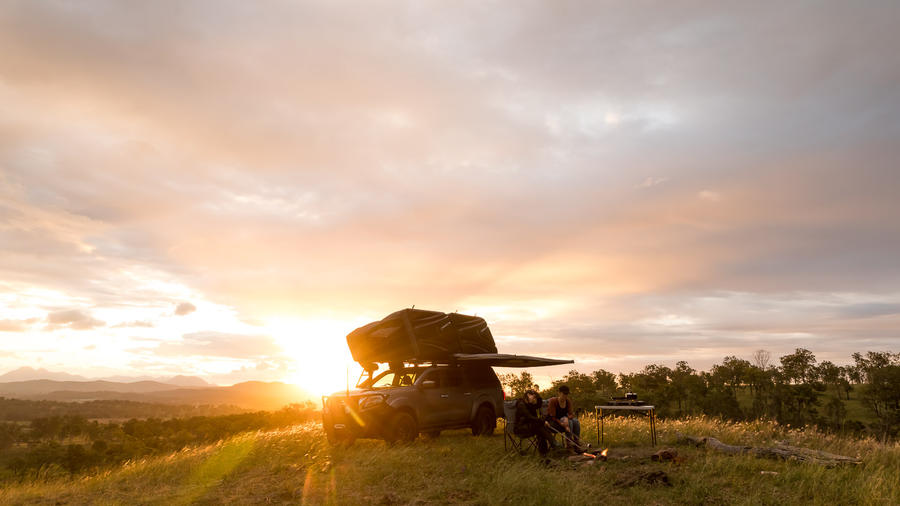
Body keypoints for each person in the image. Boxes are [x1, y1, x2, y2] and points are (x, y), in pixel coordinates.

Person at [514, 389, 556, 454]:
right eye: (533, 397)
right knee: (539, 426)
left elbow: (535, 417)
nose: (534, 399)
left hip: (530, 427)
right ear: (527, 395)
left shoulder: (530, 405)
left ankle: (545, 451)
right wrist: (542, 421)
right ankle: (553, 444)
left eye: (535, 397)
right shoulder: (521, 405)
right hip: (520, 429)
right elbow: (530, 417)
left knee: (539, 428)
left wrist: (535, 402)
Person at [546, 385, 584, 449]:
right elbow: (552, 417)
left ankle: (576, 441)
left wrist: (568, 417)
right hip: (553, 421)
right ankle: (568, 444)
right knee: (570, 422)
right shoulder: (553, 401)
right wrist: (562, 424)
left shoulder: (567, 401)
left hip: (564, 420)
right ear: (559, 393)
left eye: (567, 394)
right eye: (564, 394)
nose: (565, 396)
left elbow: (571, 414)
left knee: (576, 421)